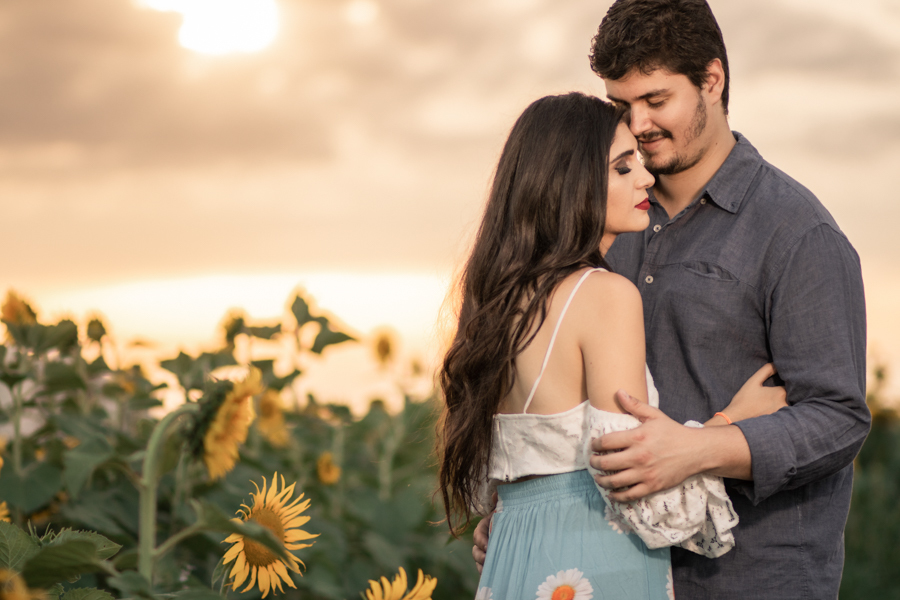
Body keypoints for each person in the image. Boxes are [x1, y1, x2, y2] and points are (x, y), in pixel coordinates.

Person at [473, 1, 871, 598]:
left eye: (656, 101)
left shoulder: (797, 233)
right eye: (620, 105)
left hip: (746, 576)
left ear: (712, 80)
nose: (637, 124)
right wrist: (530, 507)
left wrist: (701, 448)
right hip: (610, 568)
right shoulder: (608, 223)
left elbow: (838, 417)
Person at [439, 92, 786, 599]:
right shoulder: (604, 294)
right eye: (622, 169)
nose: (646, 178)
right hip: (593, 561)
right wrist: (730, 421)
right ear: (570, 186)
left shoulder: (498, 303)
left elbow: (511, 483)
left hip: (514, 560)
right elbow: (637, 483)